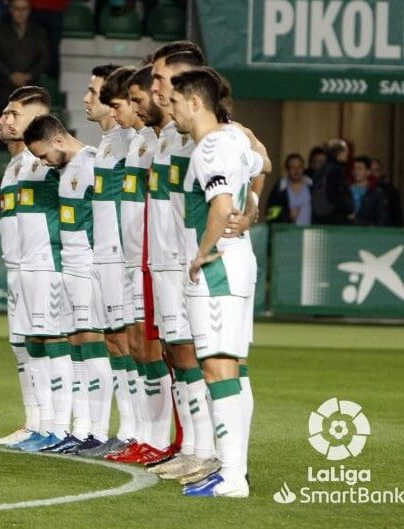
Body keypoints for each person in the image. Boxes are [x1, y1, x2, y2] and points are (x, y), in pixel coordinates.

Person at [171, 67, 264, 499]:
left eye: (174, 101)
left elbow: (222, 204)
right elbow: (264, 163)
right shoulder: (238, 138)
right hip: (241, 259)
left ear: (194, 102)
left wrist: (202, 253)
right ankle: (234, 472)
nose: (169, 109)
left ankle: (230, 477)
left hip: (220, 267)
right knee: (235, 370)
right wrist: (256, 206)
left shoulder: (208, 147)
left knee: (217, 369)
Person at [0, 86, 69, 453]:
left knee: (49, 340)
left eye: (13, 115)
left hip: (46, 266)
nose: (3, 119)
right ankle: (35, 423)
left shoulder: (46, 162)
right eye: (5, 113)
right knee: (22, 345)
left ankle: (59, 425)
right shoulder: (15, 165)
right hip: (19, 268)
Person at [68, 64, 135, 457]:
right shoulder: (107, 144)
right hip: (105, 255)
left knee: (131, 343)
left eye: (94, 92)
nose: (87, 99)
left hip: (124, 257)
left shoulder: (131, 139)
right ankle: (124, 430)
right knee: (115, 342)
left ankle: (133, 432)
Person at [23, 113, 98, 455]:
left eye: (43, 155)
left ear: (58, 140)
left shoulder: (92, 163)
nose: (43, 163)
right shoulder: (64, 170)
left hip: (93, 267)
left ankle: (91, 431)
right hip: (71, 266)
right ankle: (78, 430)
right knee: (78, 345)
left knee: (94, 345)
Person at [99, 65, 153, 461]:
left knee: (159, 349)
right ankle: (137, 433)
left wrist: (251, 203)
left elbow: (258, 155)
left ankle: (152, 436)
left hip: (148, 260)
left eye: (124, 103)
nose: (118, 112)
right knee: (128, 342)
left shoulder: (154, 139)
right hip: (128, 258)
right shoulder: (130, 143)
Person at [0, 0, 49, 116]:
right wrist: (11, 75)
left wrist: (29, 75)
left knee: (29, 130)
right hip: (4, 88)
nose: (20, 13)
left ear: (29, 10)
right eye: (17, 9)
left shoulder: (39, 31)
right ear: (11, 10)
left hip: (31, 88)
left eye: (24, 9)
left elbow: (45, 58)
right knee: (4, 129)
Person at [311, 139, 354, 225]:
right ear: (339, 152)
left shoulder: (322, 169)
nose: (348, 154)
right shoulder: (336, 170)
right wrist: (349, 209)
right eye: (346, 151)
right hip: (334, 216)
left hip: (320, 216)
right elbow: (335, 194)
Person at [267, 153, 312, 225]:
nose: (296, 170)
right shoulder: (280, 188)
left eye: (299, 167)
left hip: (310, 234)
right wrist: (286, 214)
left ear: (303, 168)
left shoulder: (312, 186)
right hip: (286, 234)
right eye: (292, 167)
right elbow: (270, 214)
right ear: (287, 169)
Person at [28, 0, 67, 77]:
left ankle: (52, 84)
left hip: (54, 10)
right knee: (32, 48)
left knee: (53, 51)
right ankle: (30, 80)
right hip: (34, 9)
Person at [349, 155, 390, 226]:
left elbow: (382, 217)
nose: (356, 171)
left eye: (359, 168)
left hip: (368, 232)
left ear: (368, 172)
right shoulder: (346, 190)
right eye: (354, 168)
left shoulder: (377, 193)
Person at [372, 158, 402, 226]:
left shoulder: (390, 191)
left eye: (376, 170)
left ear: (382, 172)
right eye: (371, 170)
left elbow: (397, 214)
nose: (373, 174)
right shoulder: (362, 189)